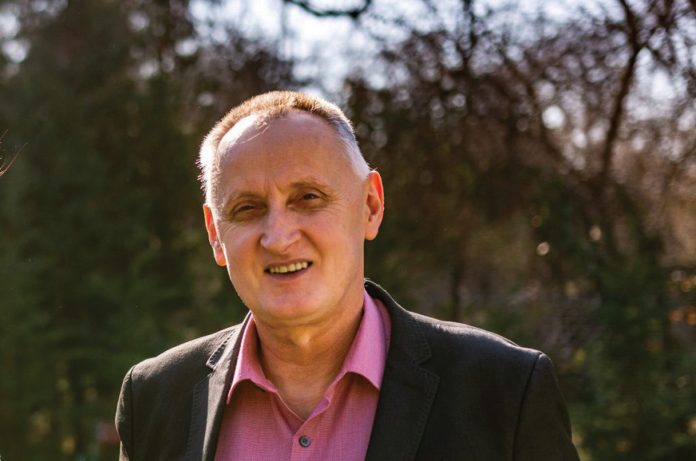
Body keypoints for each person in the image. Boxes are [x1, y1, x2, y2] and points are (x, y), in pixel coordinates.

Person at [115, 91, 580, 460]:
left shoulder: (505, 391)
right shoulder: (154, 399)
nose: (278, 237)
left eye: (308, 198)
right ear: (216, 235)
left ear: (370, 206)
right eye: (247, 208)